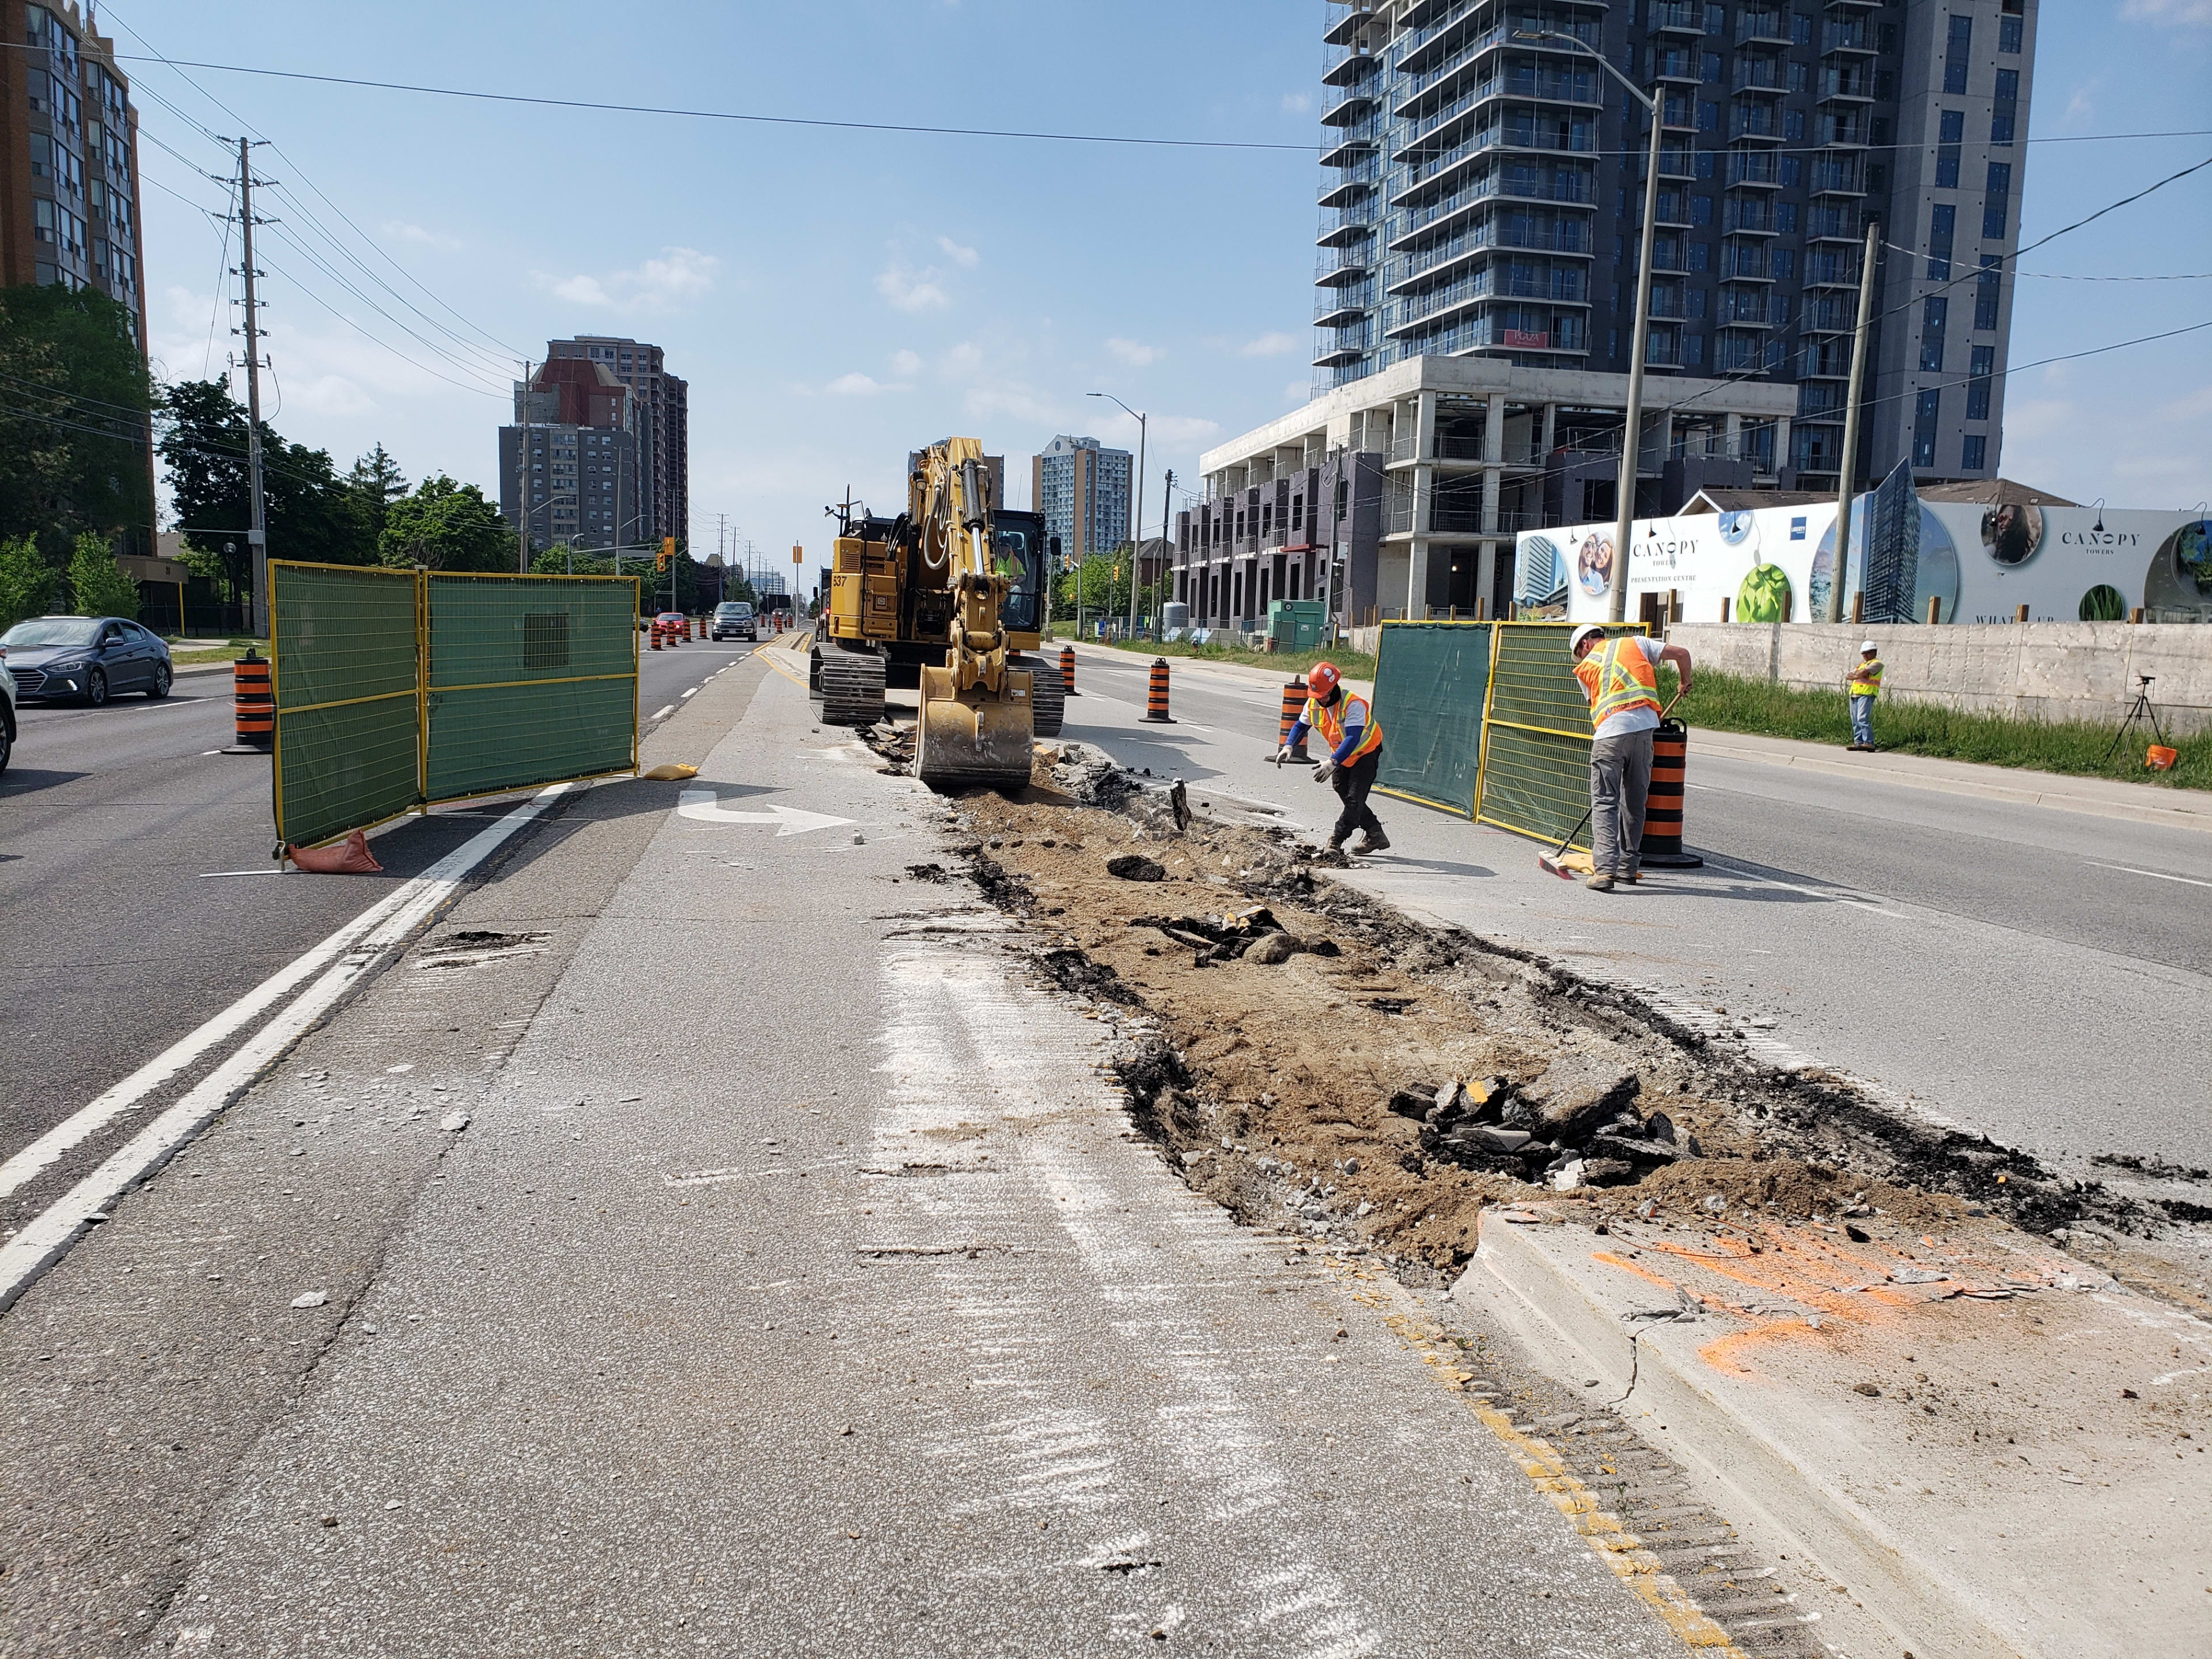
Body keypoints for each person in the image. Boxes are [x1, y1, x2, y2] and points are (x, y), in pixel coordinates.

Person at [1569, 624, 1694, 892]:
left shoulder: (1585, 667)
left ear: (1584, 646)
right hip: (1645, 732)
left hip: (1610, 734)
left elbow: (1599, 704)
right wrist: (1685, 681)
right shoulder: (1637, 643)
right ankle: (1628, 868)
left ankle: (1604, 871)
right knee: (1635, 802)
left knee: (1605, 801)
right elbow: (1682, 654)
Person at [1278, 660, 1389, 855]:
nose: (1320, 700)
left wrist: (1332, 762)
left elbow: (1353, 738)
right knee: (1341, 789)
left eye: (1323, 696)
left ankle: (1335, 841)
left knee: (1355, 800)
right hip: (1342, 755)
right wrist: (1289, 746)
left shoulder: (1353, 704)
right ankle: (1375, 833)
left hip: (1365, 752)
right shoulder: (1313, 703)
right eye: (1317, 696)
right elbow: (1300, 726)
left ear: (1334, 688)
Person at [1844, 639, 1883, 751]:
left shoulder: (1877, 664)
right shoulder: (1862, 665)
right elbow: (1848, 675)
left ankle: (1869, 742)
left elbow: (1860, 673)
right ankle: (1858, 742)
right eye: (1863, 653)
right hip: (1855, 694)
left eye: (1867, 652)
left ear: (1874, 652)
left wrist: (1858, 674)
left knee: (1862, 719)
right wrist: (1859, 675)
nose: (1865, 655)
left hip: (1867, 694)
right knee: (1855, 720)